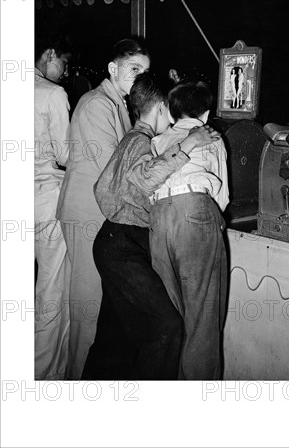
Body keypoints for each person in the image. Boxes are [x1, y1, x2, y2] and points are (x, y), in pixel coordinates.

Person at [82, 74, 219, 379]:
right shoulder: (140, 141)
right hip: (124, 245)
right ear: (159, 107)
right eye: (169, 111)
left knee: (114, 336)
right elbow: (145, 178)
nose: (172, 119)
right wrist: (190, 143)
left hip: (115, 240)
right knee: (166, 326)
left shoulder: (133, 139)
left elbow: (101, 189)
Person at [56, 38, 150, 379]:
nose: (140, 77)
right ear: (113, 69)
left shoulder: (119, 104)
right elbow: (113, 164)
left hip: (99, 211)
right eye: (134, 69)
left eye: (145, 72)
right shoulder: (97, 103)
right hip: (87, 213)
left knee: (96, 304)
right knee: (88, 305)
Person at [149, 81, 229, 380]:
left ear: (171, 112)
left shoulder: (158, 140)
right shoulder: (211, 137)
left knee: (172, 314)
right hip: (195, 212)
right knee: (203, 320)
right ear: (206, 115)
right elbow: (222, 198)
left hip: (158, 218)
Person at [34, 34, 71, 379]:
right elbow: (65, 154)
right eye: (63, 63)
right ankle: (45, 377)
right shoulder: (51, 93)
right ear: (49, 55)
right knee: (50, 293)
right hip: (44, 203)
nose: (63, 72)